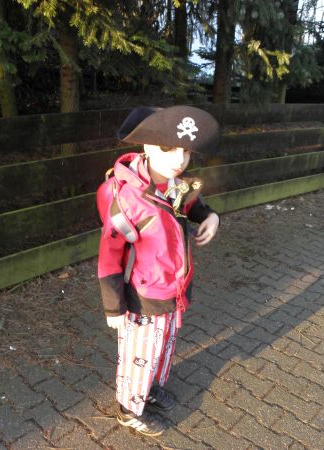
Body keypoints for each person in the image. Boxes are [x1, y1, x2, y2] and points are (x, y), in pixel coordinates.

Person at [96, 105, 221, 436]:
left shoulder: (173, 184)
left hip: (172, 288)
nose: (180, 159)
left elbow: (191, 204)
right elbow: (109, 254)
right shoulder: (128, 198)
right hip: (142, 295)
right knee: (139, 353)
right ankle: (129, 409)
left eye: (186, 151)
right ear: (147, 147)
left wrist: (210, 215)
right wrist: (113, 306)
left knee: (162, 346)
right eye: (168, 149)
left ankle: (149, 387)